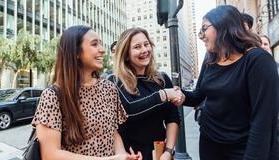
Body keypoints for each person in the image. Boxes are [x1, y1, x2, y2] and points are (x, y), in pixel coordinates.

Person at [178, 5, 279, 160]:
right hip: (209, 143)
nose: (200, 35)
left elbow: (263, 121)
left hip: (242, 149)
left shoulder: (258, 60)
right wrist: (179, 95)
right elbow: (198, 96)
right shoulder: (210, 59)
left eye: (204, 28)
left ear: (223, 25)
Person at [31, 25, 142, 160]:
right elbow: (50, 154)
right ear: (76, 52)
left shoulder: (109, 88)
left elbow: (113, 133)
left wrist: (122, 155)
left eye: (100, 44)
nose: (102, 50)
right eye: (94, 44)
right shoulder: (52, 96)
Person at [108, 27, 181, 160]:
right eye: (137, 47)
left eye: (146, 44)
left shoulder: (163, 79)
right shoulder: (114, 81)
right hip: (130, 155)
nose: (144, 50)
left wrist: (168, 151)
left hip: (159, 154)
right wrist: (163, 95)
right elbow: (129, 110)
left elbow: (173, 118)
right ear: (126, 55)